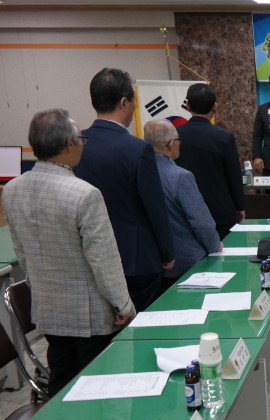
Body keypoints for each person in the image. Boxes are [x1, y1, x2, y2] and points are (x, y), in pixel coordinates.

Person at [3, 109, 135, 395]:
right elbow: (104, 261)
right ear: (68, 143)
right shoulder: (84, 194)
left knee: (61, 382)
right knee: (99, 389)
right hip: (90, 316)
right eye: (81, 140)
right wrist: (123, 305)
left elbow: (22, 252)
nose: (83, 146)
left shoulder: (12, 190)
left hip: (48, 310)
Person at [74, 67, 175, 311]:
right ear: (123, 103)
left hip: (90, 258)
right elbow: (154, 206)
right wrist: (167, 253)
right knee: (141, 324)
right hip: (137, 260)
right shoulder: (138, 149)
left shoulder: (75, 145)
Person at [145, 119, 222, 294]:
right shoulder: (180, 176)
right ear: (171, 144)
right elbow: (201, 222)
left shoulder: (139, 172)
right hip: (188, 263)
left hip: (154, 263)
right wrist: (214, 244)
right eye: (178, 141)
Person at [176, 83, 245, 239]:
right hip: (220, 211)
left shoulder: (175, 135)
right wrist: (240, 206)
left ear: (188, 105)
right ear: (215, 107)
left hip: (185, 210)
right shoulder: (224, 137)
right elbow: (233, 175)